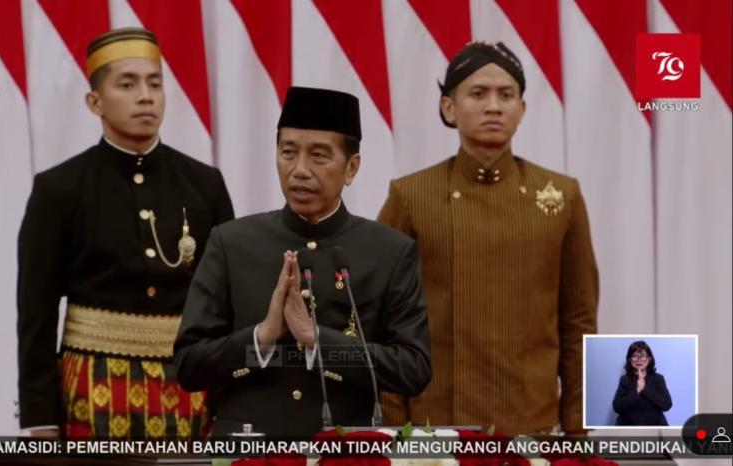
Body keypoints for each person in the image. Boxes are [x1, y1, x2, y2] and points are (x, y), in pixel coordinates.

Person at [174, 86, 432, 437]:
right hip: (248, 452)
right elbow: (188, 366)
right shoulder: (231, 243)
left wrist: (317, 341)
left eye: (319, 156)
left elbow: (413, 369)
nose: (299, 170)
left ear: (351, 167)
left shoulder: (388, 252)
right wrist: (261, 338)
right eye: (288, 153)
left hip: (345, 453)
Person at [17, 27, 234, 439]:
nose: (146, 96)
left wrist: (230, 401)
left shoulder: (205, 185)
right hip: (93, 382)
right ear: (94, 101)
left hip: (187, 384)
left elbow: (226, 307)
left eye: (155, 83)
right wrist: (39, 417)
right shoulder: (60, 189)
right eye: (127, 84)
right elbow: (36, 315)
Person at [378, 41, 598, 435]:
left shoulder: (562, 196)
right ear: (449, 107)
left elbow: (579, 324)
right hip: (436, 429)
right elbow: (384, 321)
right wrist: (396, 433)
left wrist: (578, 433)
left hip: (532, 425)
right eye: (478, 93)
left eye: (506, 95)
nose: (493, 106)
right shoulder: (411, 196)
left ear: (522, 110)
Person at [612, 341, 672, 426]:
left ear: (649, 359)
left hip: (654, 427)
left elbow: (667, 405)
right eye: (635, 356)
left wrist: (644, 389)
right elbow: (617, 407)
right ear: (630, 359)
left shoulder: (658, 378)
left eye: (642, 356)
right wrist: (637, 390)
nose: (639, 360)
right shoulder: (625, 379)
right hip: (629, 429)